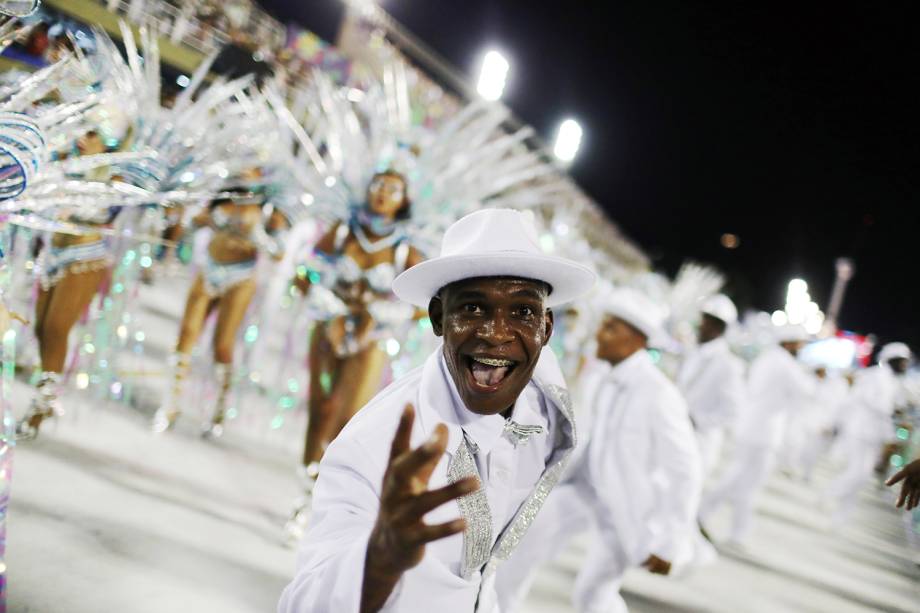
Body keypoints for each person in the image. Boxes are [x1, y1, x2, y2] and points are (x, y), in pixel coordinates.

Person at [277, 208, 595, 613]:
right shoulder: (376, 444)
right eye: (473, 308)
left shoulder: (542, 407)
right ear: (438, 318)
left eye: (522, 312)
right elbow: (304, 602)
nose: (496, 334)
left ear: (546, 329)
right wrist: (378, 560)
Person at [497, 287, 703, 613]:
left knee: (593, 594)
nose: (598, 334)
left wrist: (671, 539)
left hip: (629, 508)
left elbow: (685, 470)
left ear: (636, 339)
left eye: (611, 328)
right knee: (518, 547)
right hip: (585, 490)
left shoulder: (659, 394)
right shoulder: (601, 381)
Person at [285, 170, 424, 535]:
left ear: (404, 200)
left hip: (370, 343)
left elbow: (425, 304)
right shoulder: (343, 232)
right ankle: (303, 500)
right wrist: (331, 308)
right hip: (327, 333)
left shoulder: (404, 249)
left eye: (393, 189)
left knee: (348, 423)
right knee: (320, 409)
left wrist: (375, 315)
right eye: (377, 185)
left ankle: (326, 504)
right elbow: (304, 273)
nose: (382, 194)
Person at [152, 185, 287, 437]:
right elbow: (194, 223)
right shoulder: (224, 194)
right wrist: (201, 218)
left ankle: (218, 409)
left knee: (222, 345)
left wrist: (257, 234)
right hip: (210, 268)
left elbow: (279, 252)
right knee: (186, 333)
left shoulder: (270, 208)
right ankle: (170, 404)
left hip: (242, 278)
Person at [16, 130, 118, 440]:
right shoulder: (66, 164)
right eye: (82, 132)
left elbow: (105, 213)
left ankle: (39, 408)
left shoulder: (111, 175)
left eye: (92, 134)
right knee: (41, 329)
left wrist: (69, 207)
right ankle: (46, 397)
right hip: (54, 252)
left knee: (57, 328)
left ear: (107, 141)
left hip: (85, 257)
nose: (83, 139)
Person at [699, 324, 815, 545]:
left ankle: (733, 529)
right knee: (746, 480)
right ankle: (711, 515)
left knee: (742, 478)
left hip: (752, 426)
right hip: (764, 431)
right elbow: (806, 391)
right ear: (789, 342)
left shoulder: (767, 358)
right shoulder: (785, 363)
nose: (801, 348)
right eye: (799, 343)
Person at [825, 342, 911, 524]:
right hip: (861, 431)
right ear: (893, 360)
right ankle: (829, 495)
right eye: (902, 361)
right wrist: (892, 414)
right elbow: (876, 405)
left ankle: (841, 514)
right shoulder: (877, 376)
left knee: (861, 475)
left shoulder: (891, 381)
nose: (905, 366)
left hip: (872, 435)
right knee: (859, 473)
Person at [676, 293, 745, 480]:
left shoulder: (729, 364)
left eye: (706, 321)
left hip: (700, 445)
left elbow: (733, 412)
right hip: (676, 436)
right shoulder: (694, 351)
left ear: (718, 328)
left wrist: (697, 421)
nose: (701, 325)